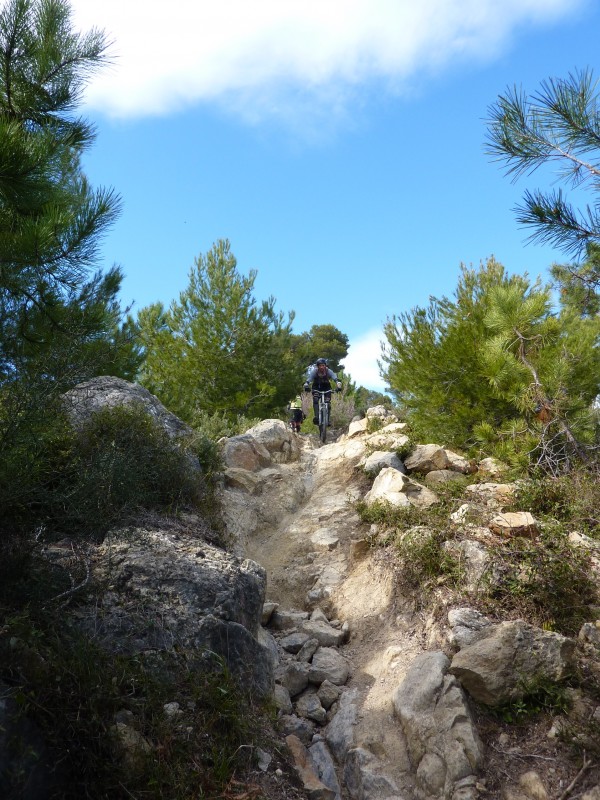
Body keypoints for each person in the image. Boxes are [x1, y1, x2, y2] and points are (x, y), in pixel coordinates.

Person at [303, 358, 342, 426]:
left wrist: (337, 383)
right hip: (316, 387)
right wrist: (306, 384)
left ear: (325, 365)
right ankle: (317, 417)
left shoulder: (328, 371)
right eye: (320, 365)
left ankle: (328, 420)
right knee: (315, 400)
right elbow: (310, 378)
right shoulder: (315, 371)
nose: (321, 367)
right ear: (317, 366)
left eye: (323, 365)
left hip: (326, 387)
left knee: (328, 403)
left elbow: (334, 376)